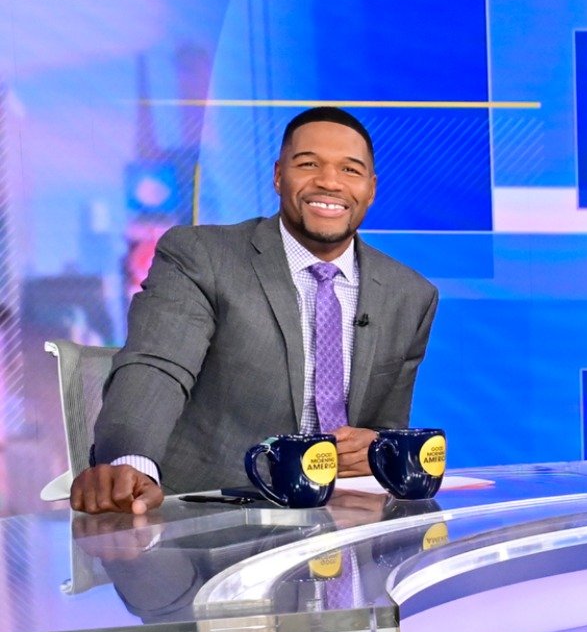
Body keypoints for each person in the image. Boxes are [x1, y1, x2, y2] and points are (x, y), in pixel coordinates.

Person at [70, 107, 439, 514]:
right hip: (208, 524)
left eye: (350, 170)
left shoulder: (410, 295)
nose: (329, 182)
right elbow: (157, 368)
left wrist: (377, 448)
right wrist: (131, 464)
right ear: (279, 175)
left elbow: (385, 430)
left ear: (371, 188)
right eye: (308, 164)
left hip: (338, 522)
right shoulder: (202, 257)